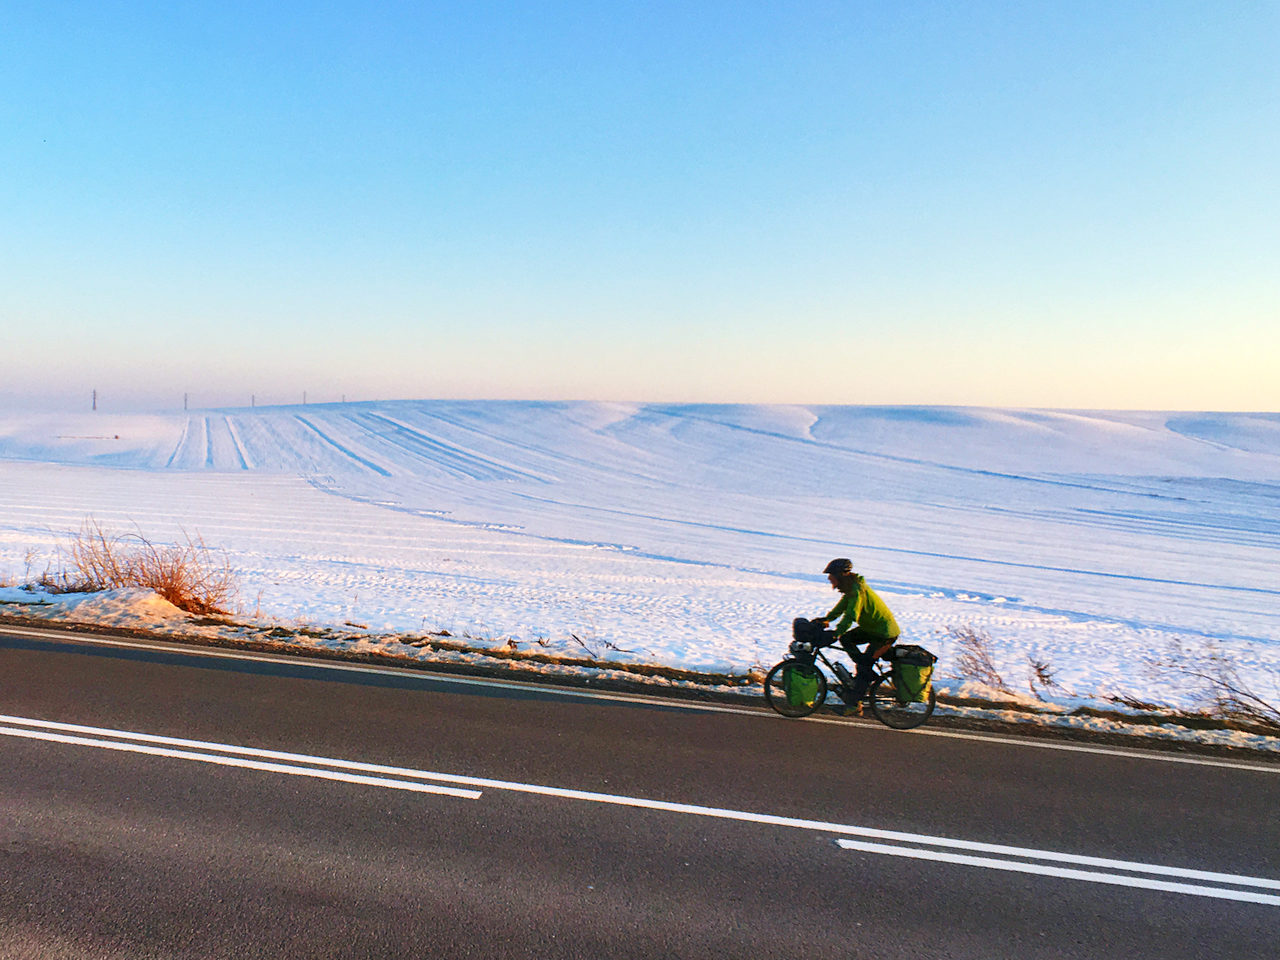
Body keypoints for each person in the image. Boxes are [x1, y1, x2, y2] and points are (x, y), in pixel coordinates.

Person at [800, 558, 900, 714]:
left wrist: (836, 633)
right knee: (846, 639)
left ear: (840, 575)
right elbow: (840, 608)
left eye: (831, 575)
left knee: (863, 666)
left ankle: (855, 703)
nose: (829, 578)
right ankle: (862, 676)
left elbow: (851, 615)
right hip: (872, 629)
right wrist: (827, 619)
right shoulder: (851, 588)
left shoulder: (856, 590)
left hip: (884, 634)